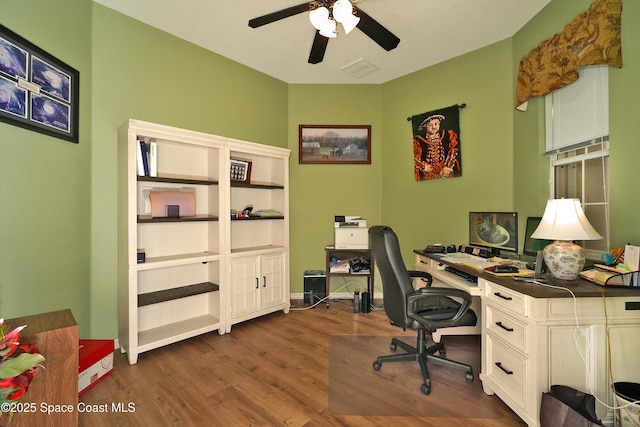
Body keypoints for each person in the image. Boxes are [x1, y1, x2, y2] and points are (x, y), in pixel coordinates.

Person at [413, 114, 460, 180]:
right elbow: (414, 157)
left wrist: (448, 166)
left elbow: (453, 150)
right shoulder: (418, 140)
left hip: (445, 169)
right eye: (430, 125)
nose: (434, 127)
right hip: (428, 172)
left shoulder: (448, 134)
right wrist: (423, 166)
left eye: (436, 124)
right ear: (425, 126)